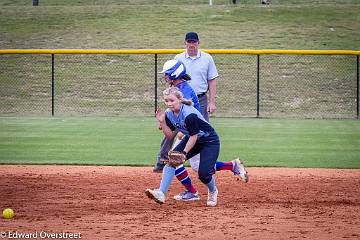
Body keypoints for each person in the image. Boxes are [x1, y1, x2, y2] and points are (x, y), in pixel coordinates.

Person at [145, 87, 249, 207]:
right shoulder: (169, 113)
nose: (169, 104)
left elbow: (194, 136)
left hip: (209, 141)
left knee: (204, 174)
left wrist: (184, 152)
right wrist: (162, 122)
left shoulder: (189, 114)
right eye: (166, 101)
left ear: (179, 99)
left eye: (172, 100)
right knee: (172, 160)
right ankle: (161, 193)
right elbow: (169, 136)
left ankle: (213, 190)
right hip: (192, 138)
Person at [174, 32, 219, 122]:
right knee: (178, 126)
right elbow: (173, 80)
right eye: (189, 41)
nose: (191, 44)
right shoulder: (178, 58)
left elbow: (212, 81)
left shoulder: (207, 58)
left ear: (198, 43)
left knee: (203, 129)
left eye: (194, 42)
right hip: (183, 99)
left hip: (201, 99)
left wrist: (212, 102)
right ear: (185, 43)